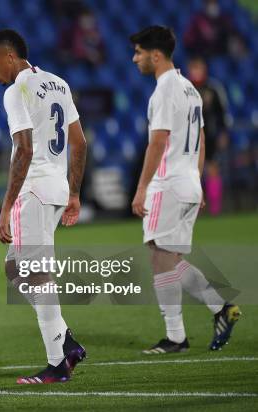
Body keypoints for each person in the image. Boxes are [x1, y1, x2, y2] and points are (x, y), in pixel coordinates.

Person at [129, 26, 241, 355]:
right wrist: (198, 180)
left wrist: (141, 187)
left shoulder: (164, 90)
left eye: (138, 52)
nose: (134, 58)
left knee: (159, 257)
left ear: (156, 54)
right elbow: (201, 139)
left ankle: (176, 336)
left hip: (168, 184)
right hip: (188, 182)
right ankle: (220, 308)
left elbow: (158, 141)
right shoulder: (190, 88)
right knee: (171, 259)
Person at [0, 29, 87, 384]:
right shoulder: (58, 83)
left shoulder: (17, 92)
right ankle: (66, 341)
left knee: (36, 275)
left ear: (10, 57)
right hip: (56, 189)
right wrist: (73, 194)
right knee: (15, 269)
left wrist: (5, 206)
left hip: (33, 192)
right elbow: (80, 143)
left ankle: (57, 362)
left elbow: (24, 149)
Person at [187, 56, 230, 215]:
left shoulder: (213, 88)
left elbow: (222, 113)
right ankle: (192, 209)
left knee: (212, 170)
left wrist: (223, 133)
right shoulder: (185, 89)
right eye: (193, 68)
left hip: (209, 135)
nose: (196, 71)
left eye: (199, 68)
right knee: (191, 173)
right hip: (190, 137)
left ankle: (215, 208)